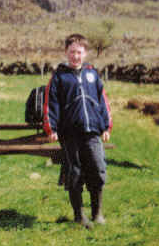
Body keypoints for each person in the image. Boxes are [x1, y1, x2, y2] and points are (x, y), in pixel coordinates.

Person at [43, 34, 112, 228]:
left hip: (92, 132)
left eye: (79, 52)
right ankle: (79, 215)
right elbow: (51, 104)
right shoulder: (59, 77)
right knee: (74, 172)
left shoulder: (92, 75)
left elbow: (103, 102)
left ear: (85, 53)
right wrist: (52, 128)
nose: (75, 56)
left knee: (97, 169)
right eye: (72, 52)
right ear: (66, 52)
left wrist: (106, 126)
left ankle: (97, 213)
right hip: (70, 133)